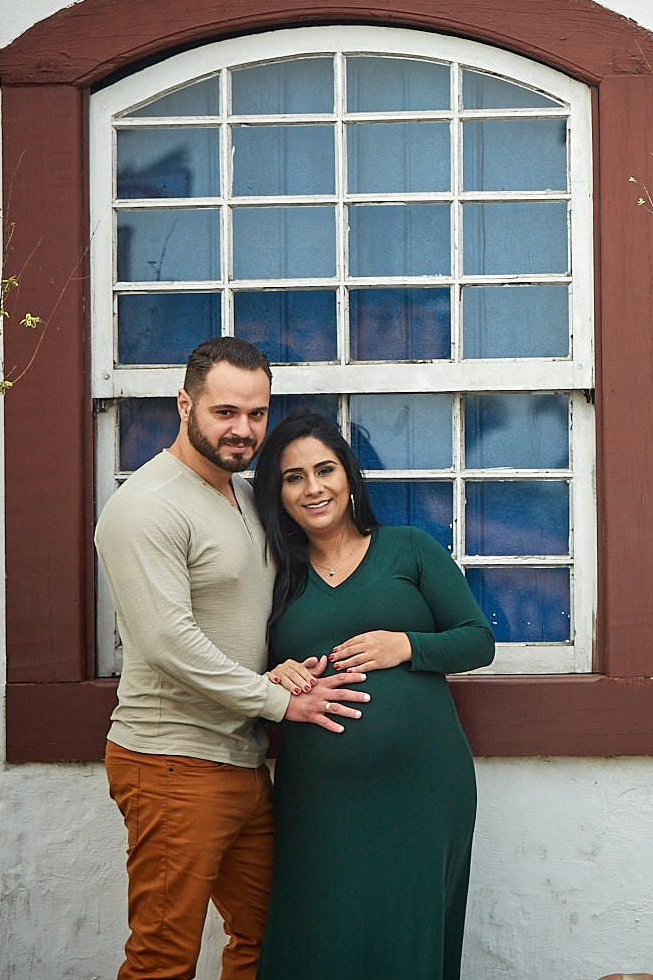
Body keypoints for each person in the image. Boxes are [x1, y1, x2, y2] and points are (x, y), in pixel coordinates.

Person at [95, 337, 372, 980]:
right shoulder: (146, 506)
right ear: (185, 404)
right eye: (224, 412)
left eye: (256, 413)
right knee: (164, 956)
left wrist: (277, 673)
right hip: (172, 760)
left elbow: (250, 617)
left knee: (268, 939)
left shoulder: (248, 496)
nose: (243, 430)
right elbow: (168, 642)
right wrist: (281, 700)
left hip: (244, 758)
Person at [252, 409, 495, 980]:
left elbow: (477, 641)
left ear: (349, 476)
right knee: (318, 936)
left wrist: (406, 646)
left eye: (325, 470)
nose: (313, 488)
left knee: (408, 936)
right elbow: (242, 665)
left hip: (422, 790)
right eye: (293, 477)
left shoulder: (409, 549)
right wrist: (274, 674)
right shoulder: (273, 572)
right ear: (278, 494)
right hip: (319, 797)